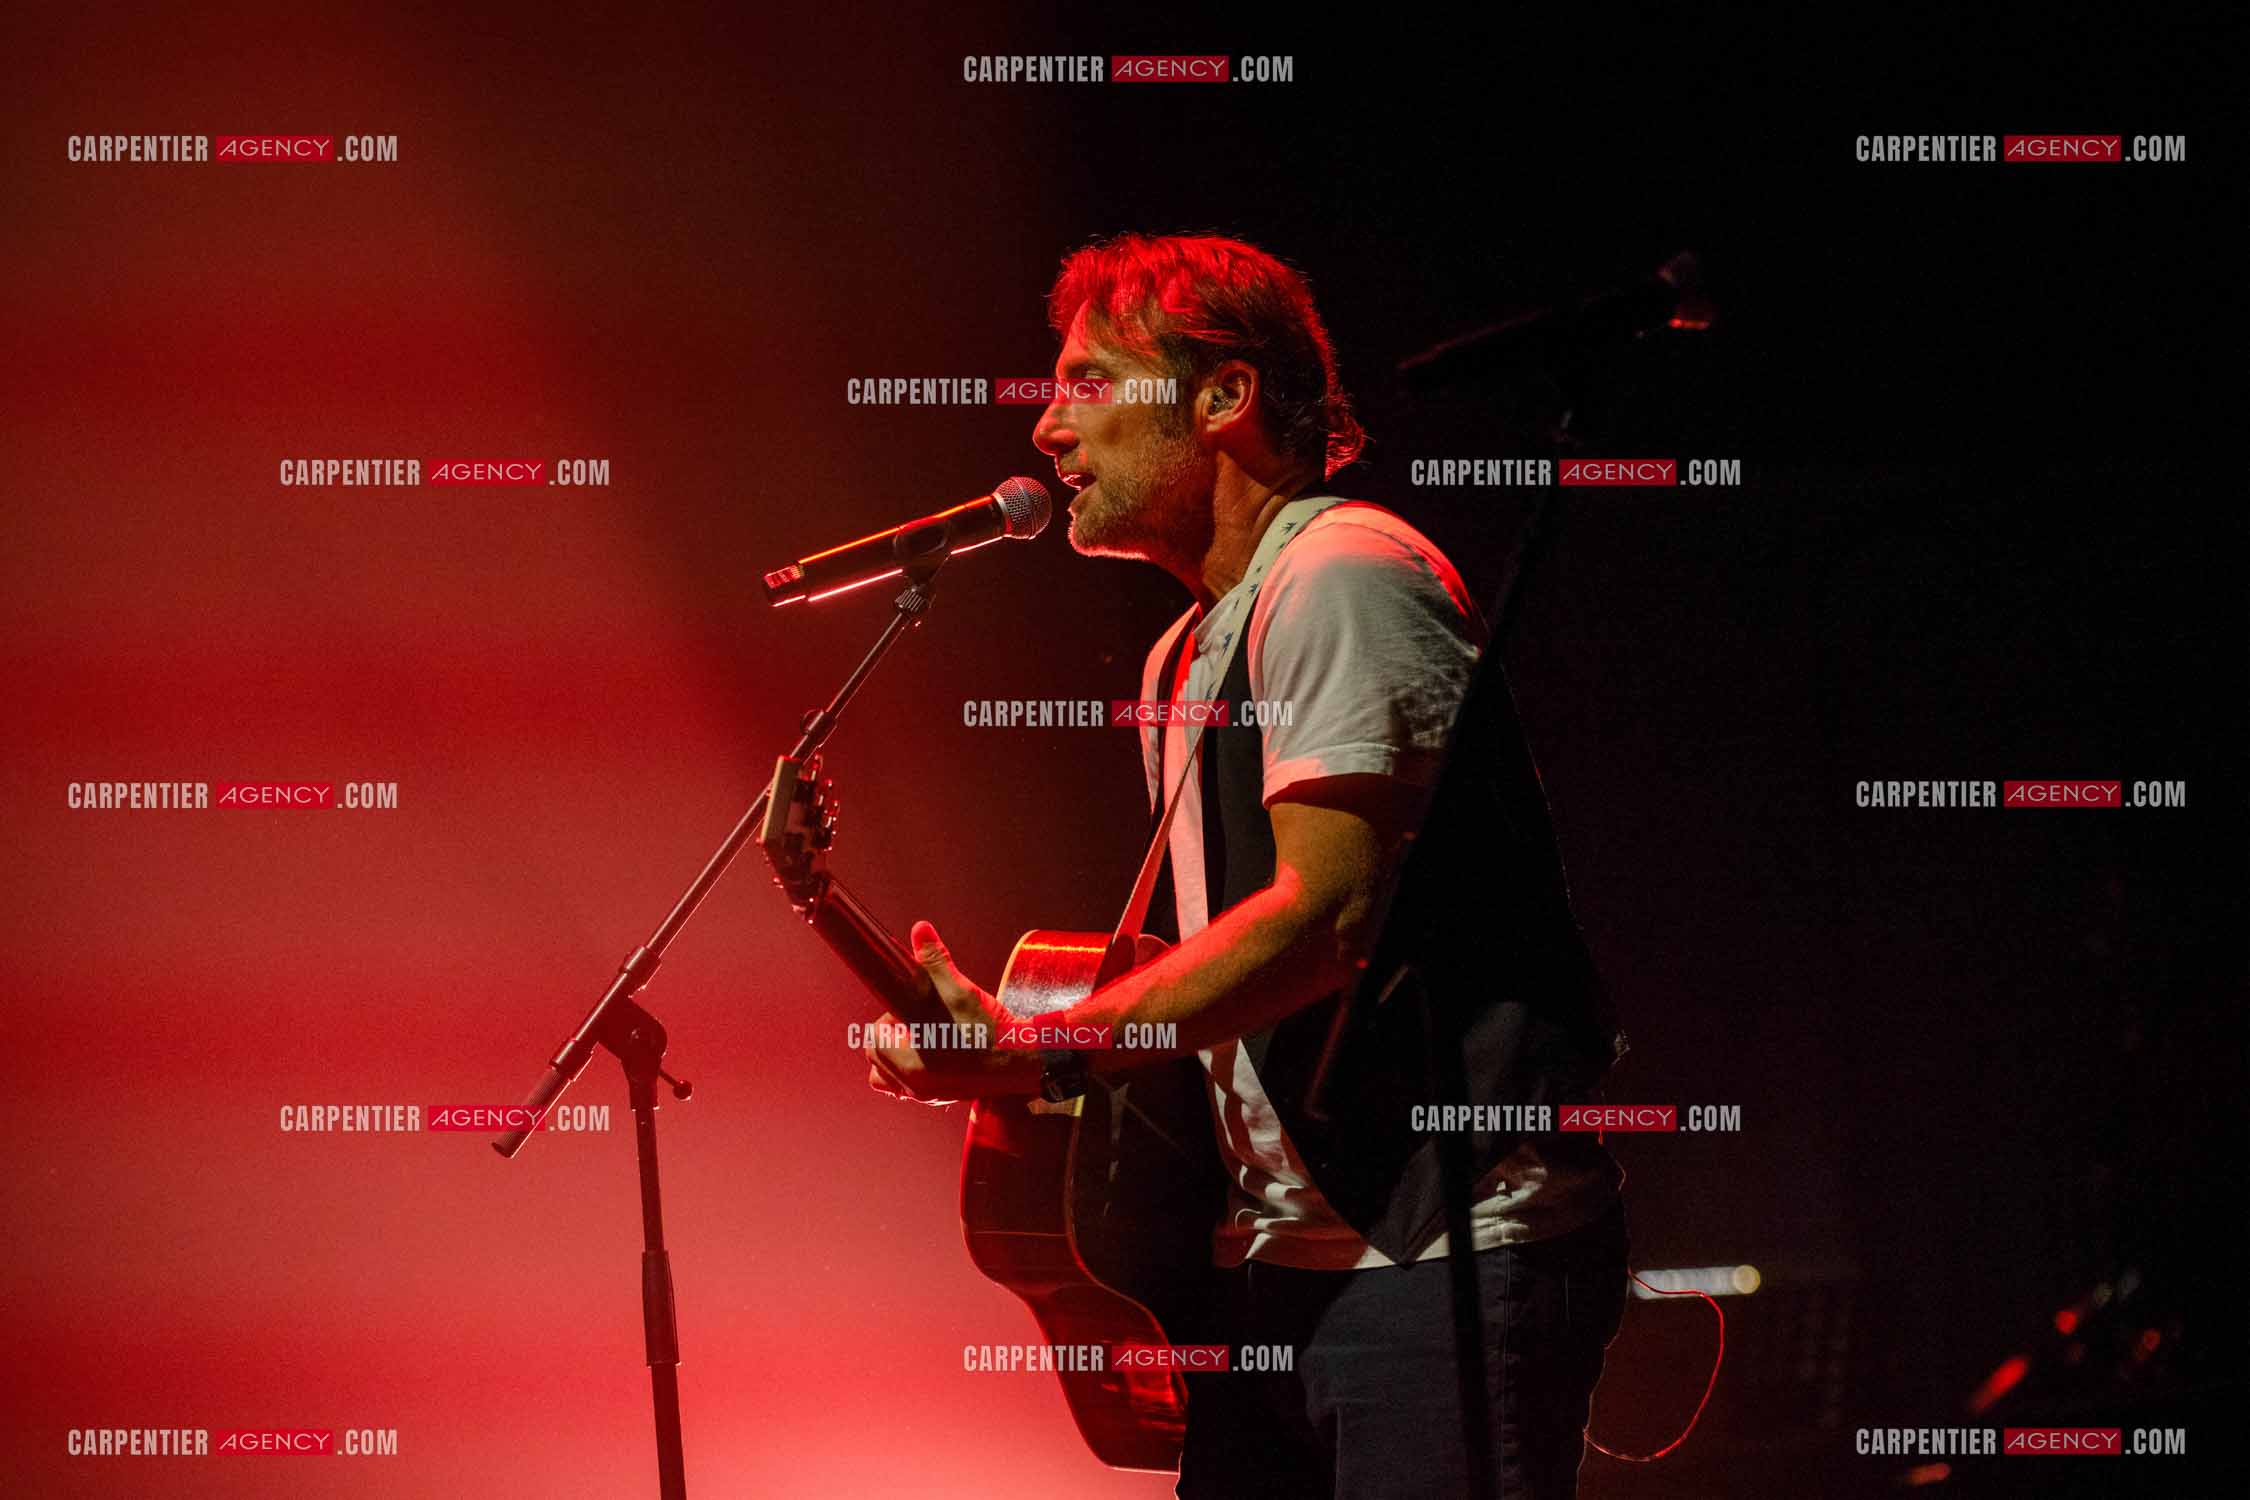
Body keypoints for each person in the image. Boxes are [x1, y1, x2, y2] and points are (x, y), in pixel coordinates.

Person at [864, 232, 1628, 1500]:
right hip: (1279, 1273)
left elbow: (1325, 921)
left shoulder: (1341, 575)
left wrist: (1051, 1049)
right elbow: (1231, 985)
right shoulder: (1183, 657)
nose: (1048, 431)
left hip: (1438, 1255)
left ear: (1224, 399)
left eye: (1089, 383)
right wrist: (1018, 1047)